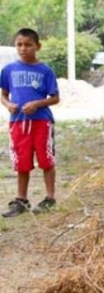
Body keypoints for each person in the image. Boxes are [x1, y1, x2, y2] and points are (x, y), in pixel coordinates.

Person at [1, 28, 60, 218]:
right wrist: (8, 104)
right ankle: (21, 200)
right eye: (19, 45)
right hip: (18, 122)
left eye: (28, 45)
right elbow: (3, 94)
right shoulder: (9, 70)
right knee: (22, 161)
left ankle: (50, 198)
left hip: (41, 122)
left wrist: (37, 104)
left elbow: (55, 98)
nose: (23, 48)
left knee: (46, 159)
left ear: (38, 46)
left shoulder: (45, 70)